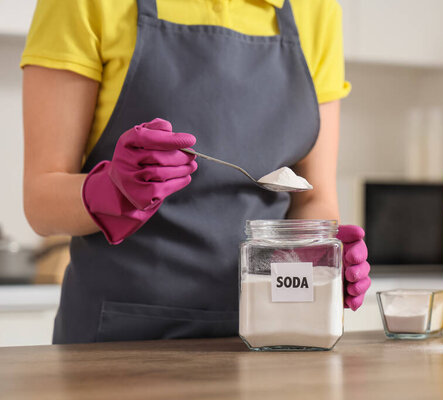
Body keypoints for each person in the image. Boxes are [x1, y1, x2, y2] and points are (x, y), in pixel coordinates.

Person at [21, 0, 371, 344]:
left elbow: (313, 197)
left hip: (266, 338)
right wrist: (112, 191)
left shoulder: (317, 9)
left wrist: (321, 254)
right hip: (119, 338)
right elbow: (41, 201)